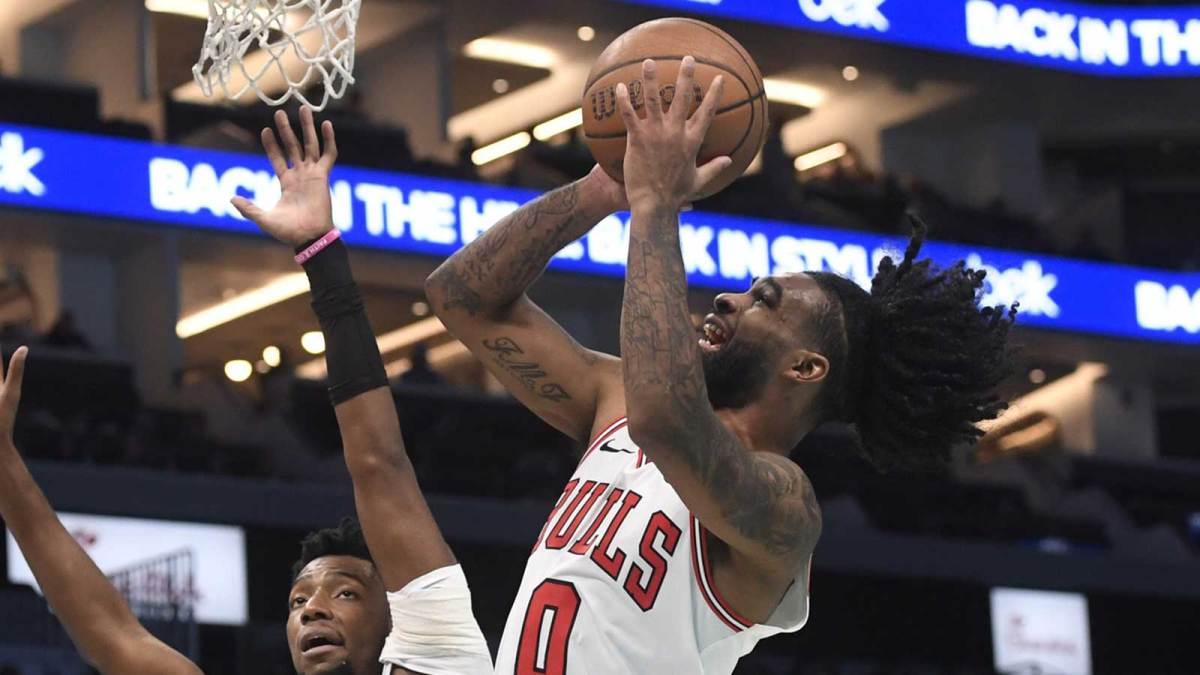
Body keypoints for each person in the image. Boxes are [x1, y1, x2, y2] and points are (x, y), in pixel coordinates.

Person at [426, 57, 1015, 673]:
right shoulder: (617, 406)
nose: (730, 298)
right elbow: (462, 299)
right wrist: (604, 190)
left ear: (806, 368)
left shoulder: (785, 505)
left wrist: (657, 205)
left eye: (764, 301)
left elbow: (666, 421)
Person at [0, 110, 492, 675]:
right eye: (298, 601)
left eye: (346, 593)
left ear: (396, 615)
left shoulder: (439, 652)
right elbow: (111, 633)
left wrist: (321, 252)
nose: (311, 611)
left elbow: (379, 464)